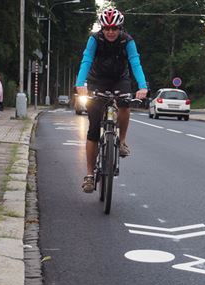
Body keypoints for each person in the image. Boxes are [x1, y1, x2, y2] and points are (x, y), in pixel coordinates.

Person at [76, 7, 148, 193]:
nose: (110, 32)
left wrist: (142, 86)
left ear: (120, 28)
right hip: (97, 80)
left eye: (114, 28)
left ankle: (122, 141)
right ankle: (90, 176)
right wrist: (80, 83)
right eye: (107, 28)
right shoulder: (95, 39)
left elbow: (135, 62)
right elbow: (86, 60)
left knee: (124, 103)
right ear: (102, 28)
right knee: (92, 130)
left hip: (119, 79)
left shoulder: (127, 41)